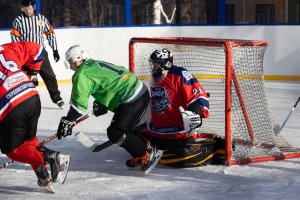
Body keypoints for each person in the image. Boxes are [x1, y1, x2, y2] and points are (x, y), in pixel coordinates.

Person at [56, 44, 162, 174]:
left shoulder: (81, 74)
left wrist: (69, 120)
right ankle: (141, 152)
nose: (70, 66)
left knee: (115, 132)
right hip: (139, 91)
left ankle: (147, 152)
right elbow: (110, 79)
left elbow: (78, 107)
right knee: (125, 127)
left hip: (132, 98)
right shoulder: (93, 63)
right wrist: (102, 101)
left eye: (70, 62)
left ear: (78, 59)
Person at [0, 41, 70, 193]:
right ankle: (43, 175)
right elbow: (39, 50)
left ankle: (51, 157)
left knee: (12, 150)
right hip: (31, 96)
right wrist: (32, 73)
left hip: (11, 105)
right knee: (29, 141)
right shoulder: (5, 48)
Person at [141, 48, 225, 168]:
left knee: (181, 153)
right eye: (153, 64)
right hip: (157, 130)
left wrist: (196, 112)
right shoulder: (155, 77)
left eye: (156, 64)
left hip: (177, 132)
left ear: (167, 64)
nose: (153, 67)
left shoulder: (180, 74)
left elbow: (198, 95)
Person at [10, 0, 64, 109]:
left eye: (29, 8)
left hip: (40, 53)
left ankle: (57, 98)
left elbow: (50, 33)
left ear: (33, 7)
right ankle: (26, 100)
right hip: (26, 56)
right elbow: (15, 38)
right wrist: (18, 53)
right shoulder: (18, 20)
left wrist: (55, 50)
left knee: (50, 76)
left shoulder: (41, 19)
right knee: (25, 78)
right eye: (25, 9)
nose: (27, 11)